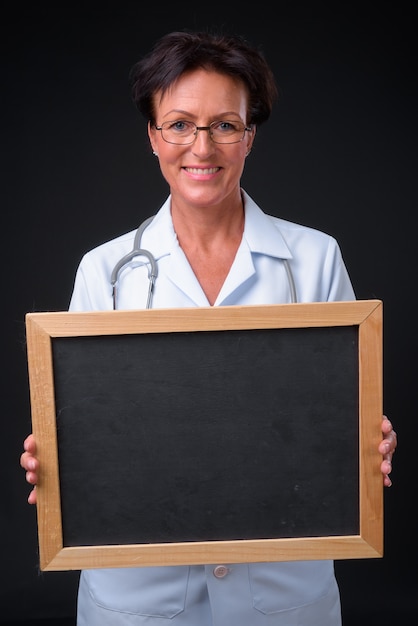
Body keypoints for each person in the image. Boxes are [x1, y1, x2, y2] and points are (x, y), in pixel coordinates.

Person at [20, 30, 397, 626]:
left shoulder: (316, 259)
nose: (202, 145)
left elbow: (346, 417)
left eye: (225, 125)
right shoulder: (106, 271)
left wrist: (368, 445)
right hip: (139, 597)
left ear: (250, 138)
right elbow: (82, 419)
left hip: (283, 594)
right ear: (152, 136)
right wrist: (60, 460)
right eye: (179, 124)